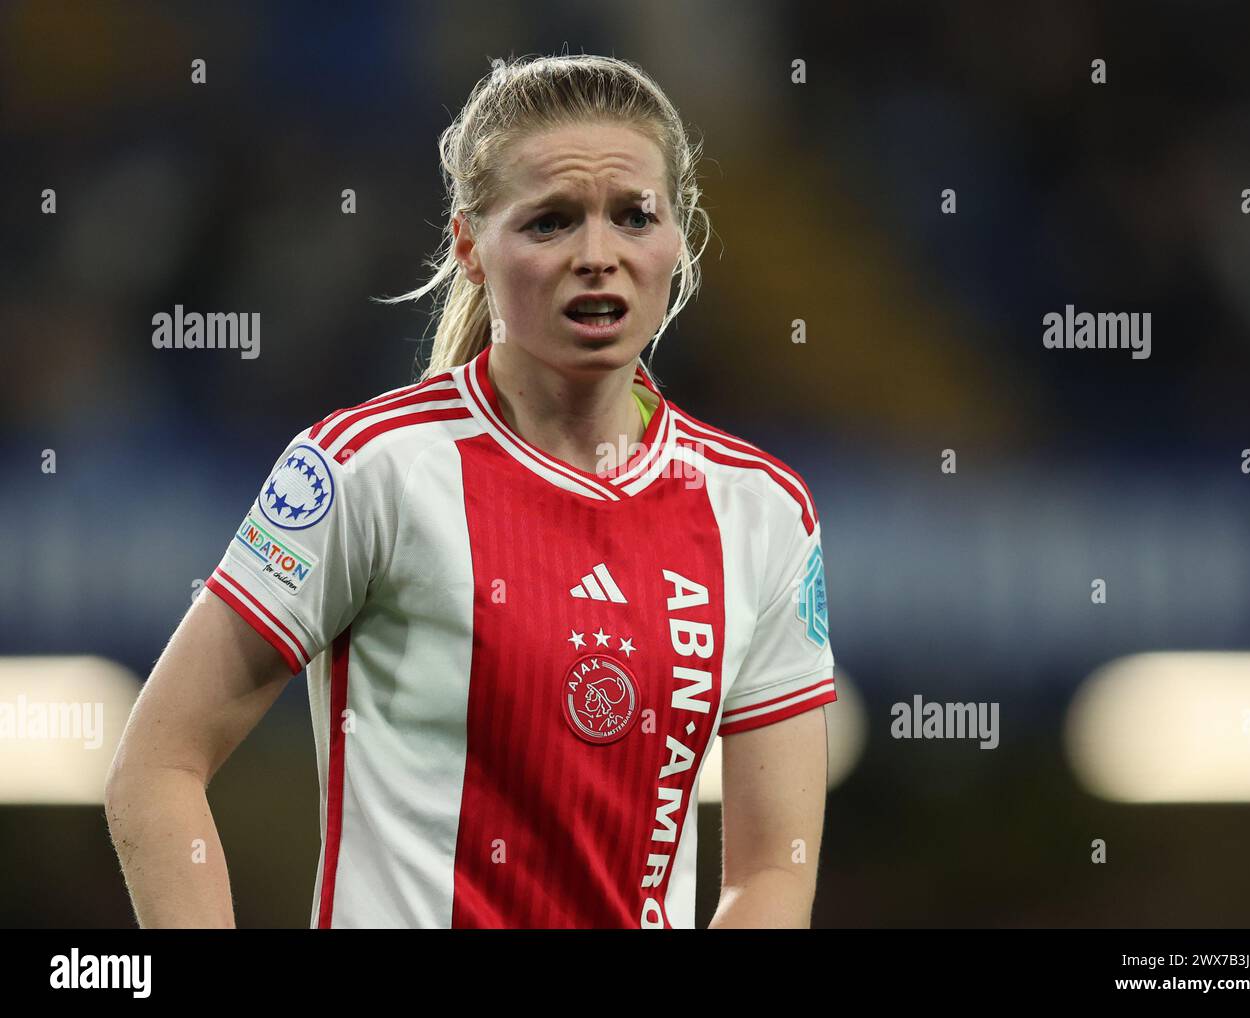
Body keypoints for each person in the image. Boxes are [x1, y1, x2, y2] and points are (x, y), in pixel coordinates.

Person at [106, 53, 836, 929]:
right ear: (470, 247)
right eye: (551, 223)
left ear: (678, 239)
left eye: (633, 217)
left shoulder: (761, 512)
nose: (597, 256)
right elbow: (157, 766)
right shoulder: (368, 468)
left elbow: (771, 873)